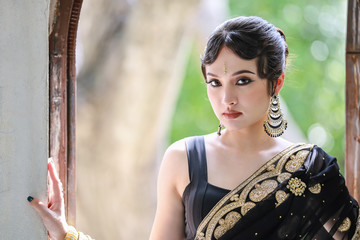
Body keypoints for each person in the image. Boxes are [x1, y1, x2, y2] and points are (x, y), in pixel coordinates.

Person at [28, 16, 360, 240]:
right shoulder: (183, 159)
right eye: (214, 82)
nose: (226, 98)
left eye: (242, 81)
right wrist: (66, 234)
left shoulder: (310, 168)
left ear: (276, 82)